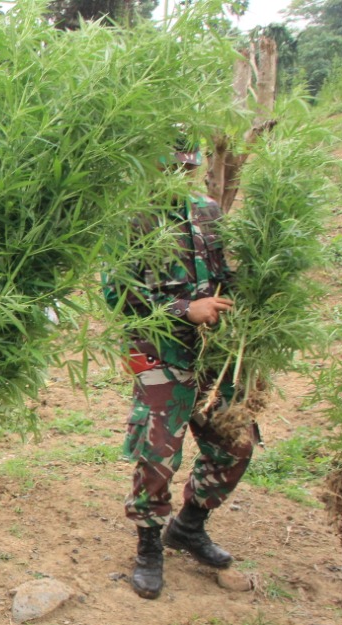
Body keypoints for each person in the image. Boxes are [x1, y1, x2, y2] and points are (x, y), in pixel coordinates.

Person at [103, 142, 254, 600]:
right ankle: (149, 544)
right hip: (159, 353)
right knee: (157, 454)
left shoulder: (208, 211)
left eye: (186, 168)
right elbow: (118, 297)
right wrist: (186, 308)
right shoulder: (129, 221)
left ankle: (189, 526)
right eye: (168, 166)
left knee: (236, 444)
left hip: (214, 354)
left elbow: (228, 273)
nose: (178, 175)